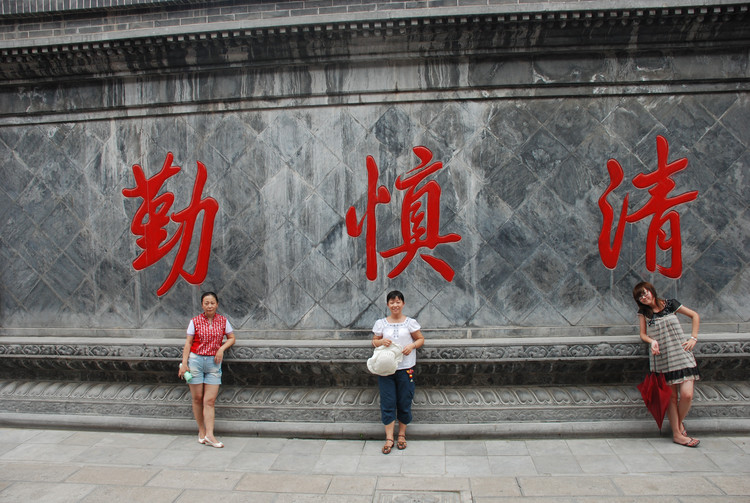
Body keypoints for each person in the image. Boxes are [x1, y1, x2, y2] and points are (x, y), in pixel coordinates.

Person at [633, 281, 701, 447]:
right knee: (671, 398)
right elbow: (643, 334)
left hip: (682, 354)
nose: (644, 297)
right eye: (640, 296)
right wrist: (652, 342)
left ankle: (677, 425)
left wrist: (693, 338)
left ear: (652, 291)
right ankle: (678, 435)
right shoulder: (644, 312)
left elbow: (694, 316)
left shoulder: (670, 304)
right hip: (662, 357)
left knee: (686, 395)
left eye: (645, 292)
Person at [178, 291, 235, 448]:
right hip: (196, 361)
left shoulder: (223, 321)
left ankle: (210, 434)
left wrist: (221, 349)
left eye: (212, 303)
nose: (209, 306)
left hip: (213, 363)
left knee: (209, 400)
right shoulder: (195, 321)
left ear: (217, 304)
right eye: (206, 303)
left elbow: (232, 338)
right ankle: (201, 430)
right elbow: (188, 343)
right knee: (197, 398)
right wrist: (184, 363)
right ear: (202, 305)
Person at [372, 290, 425, 454]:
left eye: (398, 302)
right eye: (392, 302)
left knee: (404, 400)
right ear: (388, 305)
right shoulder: (381, 323)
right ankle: (389, 438)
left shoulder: (410, 323)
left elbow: (420, 339)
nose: (395, 305)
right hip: (386, 368)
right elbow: (374, 341)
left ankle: (401, 435)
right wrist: (381, 341)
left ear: (403, 304)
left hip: (405, 367)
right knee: (388, 402)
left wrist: (411, 346)